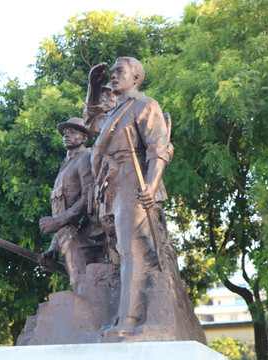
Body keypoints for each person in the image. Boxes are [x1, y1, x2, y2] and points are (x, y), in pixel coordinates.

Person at [86, 57, 174, 337]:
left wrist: (151, 184)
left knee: (133, 249)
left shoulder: (145, 105)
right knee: (120, 252)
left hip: (133, 182)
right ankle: (123, 315)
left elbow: (159, 147)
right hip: (110, 186)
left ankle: (129, 320)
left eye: (119, 72)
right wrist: (92, 86)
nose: (113, 76)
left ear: (136, 77)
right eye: (111, 73)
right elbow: (90, 122)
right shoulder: (114, 112)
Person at [38, 117, 103, 290]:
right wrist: (54, 248)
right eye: (65, 133)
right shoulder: (64, 167)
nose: (66, 136)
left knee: (83, 288)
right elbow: (61, 209)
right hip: (66, 237)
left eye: (72, 132)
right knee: (78, 287)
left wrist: (58, 222)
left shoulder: (85, 159)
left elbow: (89, 196)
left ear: (84, 138)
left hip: (83, 237)